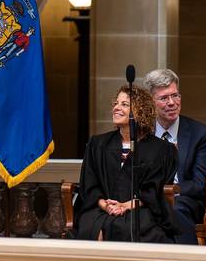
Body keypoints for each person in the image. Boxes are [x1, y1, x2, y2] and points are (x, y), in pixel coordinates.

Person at [74, 85, 178, 243]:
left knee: (126, 228)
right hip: (100, 209)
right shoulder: (98, 144)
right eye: (116, 103)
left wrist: (124, 206)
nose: (116, 108)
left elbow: (153, 191)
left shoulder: (161, 150)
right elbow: (89, 184)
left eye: (124, 104)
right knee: (95, 228)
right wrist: (106, 205)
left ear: (140, 111)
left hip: (139, 210)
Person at [143, 68, 206, 245]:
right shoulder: (141, 133)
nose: (172, 102)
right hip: (147, 198)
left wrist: (171, 191)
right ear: (151, 102)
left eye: (175, 95)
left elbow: (199, 184)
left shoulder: (199, 132)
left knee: (173, 209)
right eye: (164, 98)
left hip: (184, 199)